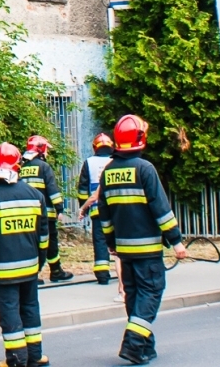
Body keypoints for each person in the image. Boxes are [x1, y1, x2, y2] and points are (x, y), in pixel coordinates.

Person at [101, 114, 186, 364]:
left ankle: (145, 348)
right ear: (139, 138)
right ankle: (133, 343)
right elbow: (161, 209)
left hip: (124, 249)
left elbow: (104, 216)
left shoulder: (108, 172)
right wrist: (176, 241)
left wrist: (111, 243)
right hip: (148, 249)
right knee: (151, 292)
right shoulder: (144, 169)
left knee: (135, 295)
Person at [0, 142, 49, 367]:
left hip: (3, 269)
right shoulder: (35, 195)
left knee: (9, 313)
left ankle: (16, 360)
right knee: (30, 309)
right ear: (18, 165)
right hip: (30, 266)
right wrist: (41, 260)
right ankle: (35, 357)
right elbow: (43, 234)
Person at [19, 134, 72, 282]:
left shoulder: (22, 168)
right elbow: (52, 190)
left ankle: (33, 274)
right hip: (45, 215)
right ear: (41, 150)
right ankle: (55, 271)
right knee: (50, 242)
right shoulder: (44, 167)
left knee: (31, 244)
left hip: (27, 214)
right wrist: (60, 209)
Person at [76, 131, 115, 284]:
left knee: (100, 240)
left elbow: (83, 189)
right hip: (116, 210)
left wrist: (83, 208)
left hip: (97, 210)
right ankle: (125, 273)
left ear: (95, 147)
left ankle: (102, 274)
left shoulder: (89, 162)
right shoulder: (116, 161)